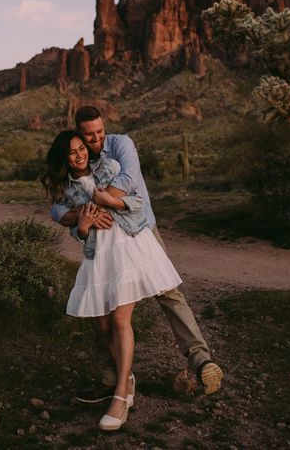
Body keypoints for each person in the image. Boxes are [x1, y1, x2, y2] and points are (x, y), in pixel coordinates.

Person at [50, 106, 223, 400]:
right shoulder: (81, 163)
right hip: (106, 244)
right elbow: (58, 207)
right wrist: (77, 216)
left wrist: (95, 205)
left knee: (169, 293)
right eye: (89, 136)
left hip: (141, 230)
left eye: (99, 132)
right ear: (78, 133)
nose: (96, 140)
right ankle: (110, 378)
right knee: (102, 305)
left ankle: (200, 360)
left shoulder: (120, 145)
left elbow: (128, 182)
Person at [42, 129, 183, 431]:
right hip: (98, 254)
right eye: (72, 151)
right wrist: (82, 223)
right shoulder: (67, 192)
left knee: (120, 319)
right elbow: (76, 232)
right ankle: (127, 378)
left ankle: (120, 397)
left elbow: (137, 204)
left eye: (82, 148)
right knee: (103, 323)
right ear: (63, 158)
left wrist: (107, 201)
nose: (80, 154)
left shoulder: (109, 168)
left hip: (128, 244)